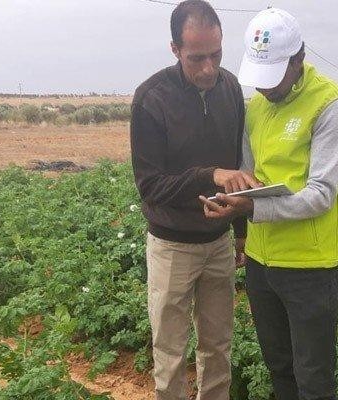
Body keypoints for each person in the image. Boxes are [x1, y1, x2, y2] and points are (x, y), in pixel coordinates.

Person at [199, 8, 338, 400]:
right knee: (280, 370)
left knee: (314, 380)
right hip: (260, 263)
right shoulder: (257, 107)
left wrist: (253, 209)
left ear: (298, 59)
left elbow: (321, 194)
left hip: (309, 268)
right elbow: (248, 172)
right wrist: (234, 197)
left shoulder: (331, 106)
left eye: (272, 76)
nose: (264, 87)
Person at [129, 1, 258, 399]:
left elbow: (238, 168)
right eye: (196, 58)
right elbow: (151, 186)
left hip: (218, 243)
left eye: (215, 55)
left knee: (218, 347)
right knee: (170, 352)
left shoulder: (230, 89)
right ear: (175, 49)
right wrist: (208, 175)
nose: (208, 68)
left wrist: (240, 231)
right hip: (172, 246)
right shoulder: (152, 98)